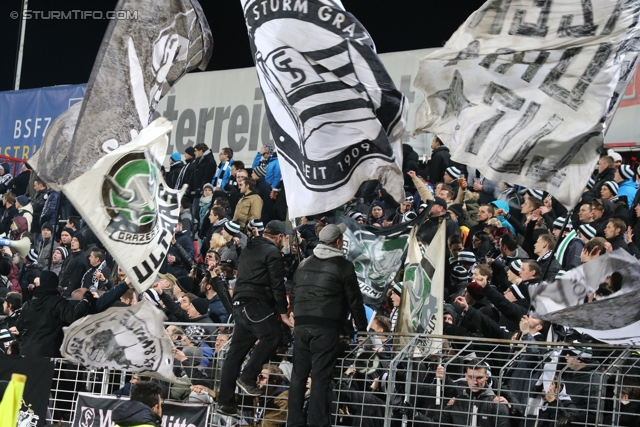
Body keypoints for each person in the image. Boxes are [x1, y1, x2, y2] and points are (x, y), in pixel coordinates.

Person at [288, 223, 368, 427]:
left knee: (298, 377)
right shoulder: (343, 266)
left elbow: (295, 294)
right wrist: (362, 329)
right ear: (338, 242)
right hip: (326, 328)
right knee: (320, 378)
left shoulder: (304, 263)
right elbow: (355, 301)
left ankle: (294, 422)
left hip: (301, 326)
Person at [216, 220, 290, 417]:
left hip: (239, 305)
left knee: (235, 354)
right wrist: (283, 314)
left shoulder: (249, 247)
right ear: (280, 237)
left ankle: (226, 402)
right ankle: (248, 377)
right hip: (255, 304)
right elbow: (277, 285)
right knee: (273, 335)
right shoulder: (272, 252)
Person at [11, 270, 91, 357]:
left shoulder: (28, 304)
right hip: (47, 354)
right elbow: (72, 316)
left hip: (26, 352)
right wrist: (85, 301)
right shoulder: (57, 302)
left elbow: (19, 326)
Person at [439, 358, 510, 427]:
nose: (475, 382)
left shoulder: (497, 405)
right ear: (466, 376)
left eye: (479, 378)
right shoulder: (456, 403)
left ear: (486, 377)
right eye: (471, 377)